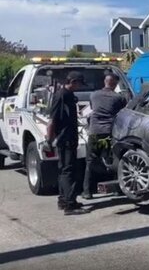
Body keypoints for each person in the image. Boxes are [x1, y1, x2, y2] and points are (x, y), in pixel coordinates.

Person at [46, 71, 90, 215]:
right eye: (79, 83)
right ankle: (70, 205)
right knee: (68, 170)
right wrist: (49, 139)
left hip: (69, 137)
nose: (79, 86)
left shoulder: (68, 95)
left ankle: (64, 200)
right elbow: (52, 119)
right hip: (65, 139)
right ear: (73, 82)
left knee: (65, 169)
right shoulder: (61, 95)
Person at [82, 73, 127, 199]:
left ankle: (87, 191)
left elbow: (92, 108)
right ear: (115, 84)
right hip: (108, 132)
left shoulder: (94, 95)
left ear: (105, 82)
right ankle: (116, 189)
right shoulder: (118, 98)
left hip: (95, 132)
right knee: (110, 160)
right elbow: (122, 113)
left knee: (91, 161)